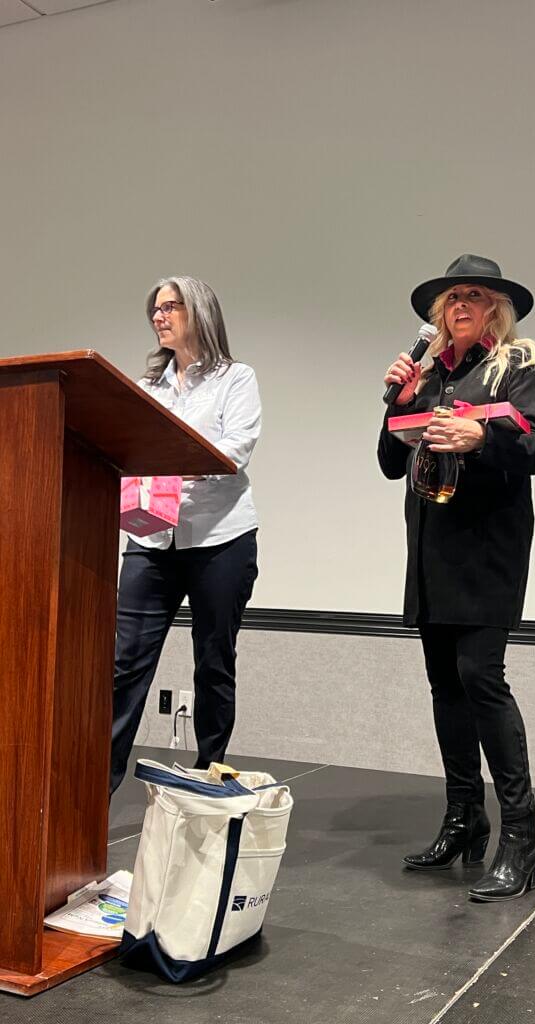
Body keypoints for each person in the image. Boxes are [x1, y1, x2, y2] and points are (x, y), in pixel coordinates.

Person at [377, 254, 535, 902]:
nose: (461, 305)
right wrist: (396, 405)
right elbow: (388, 461)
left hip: (486, 548)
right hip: (431, 548)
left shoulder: (518, 365)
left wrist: (481, 438)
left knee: (481, 677)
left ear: (495, 310)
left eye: (474, 296)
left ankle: (521, 837)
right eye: (453, 297)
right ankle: (464, 818)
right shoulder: (426, 376)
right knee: (445, 686)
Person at [110, 276, 261, 795]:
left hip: (221, 539)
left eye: (170, 307)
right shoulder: (148, 388)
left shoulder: (235, 379)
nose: (159, 316)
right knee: (125, 663)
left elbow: (236, 447)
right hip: (151, 536)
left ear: (200, 312)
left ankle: (208, 780)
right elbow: (129, 450)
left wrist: (172, 462)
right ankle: (95, 787)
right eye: (155, 309)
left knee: (213, 663)